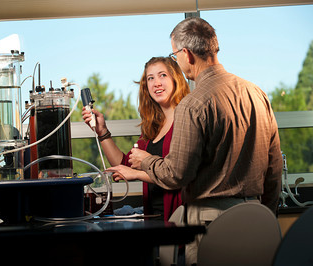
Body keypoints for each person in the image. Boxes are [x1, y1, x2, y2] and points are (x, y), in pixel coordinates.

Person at [118, 17, 283, 265]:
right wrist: (265, 215)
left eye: (175, 56)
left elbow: (177, 175)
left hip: (212, 222)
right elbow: (274, 169)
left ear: (186, 54)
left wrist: (147, 161)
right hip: (258, 220)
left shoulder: (193, 104)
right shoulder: (257, 93)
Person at [82, 56, 190, 221]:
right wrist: (102, 131)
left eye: (163, 75)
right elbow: (125, 166)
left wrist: (137, 174)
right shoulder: (152, 128)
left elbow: (177, 175)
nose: (157, 83)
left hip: (179, 217)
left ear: (176, 79)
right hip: (154, 217)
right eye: (150, 78)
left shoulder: (187, 121)